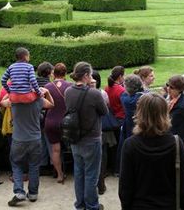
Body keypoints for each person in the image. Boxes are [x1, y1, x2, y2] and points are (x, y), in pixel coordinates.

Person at [119, 93, 184, 210]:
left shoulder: (130, 144)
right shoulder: (175, 143)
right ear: (165, 113)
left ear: (139, 113)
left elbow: (125, 187)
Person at [65, 62, 108, 210]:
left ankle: (80, 204)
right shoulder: (94, 93)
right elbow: (104, 112)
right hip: (92, 139)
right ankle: (91, 205)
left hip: (75, 138)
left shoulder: (68, 92)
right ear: (85, 76)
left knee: (79, 173)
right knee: (91, 175)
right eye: (90, 74)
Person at [8, 79, 54, 206]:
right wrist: (48, 92)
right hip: (35, 139)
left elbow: (1, 102)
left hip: (18, 139)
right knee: (34, 166)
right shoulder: (38, 100)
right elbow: (51, 104)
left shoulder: (14, 101)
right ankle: (33, 193)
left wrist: (10, 91)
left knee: (17, 165)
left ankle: (19, 192)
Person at [44, 62, 72, 183]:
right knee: (73, 148)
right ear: (65, 73)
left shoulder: (47, 86)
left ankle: (60, 175)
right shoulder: (70, 86)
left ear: (53, 73)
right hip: (67, 121)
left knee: (55, 150)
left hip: (51, 121)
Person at [104, 66, 126, 174]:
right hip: (120, 119)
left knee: (112, 145)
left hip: (111, 118)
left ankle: (111, 167)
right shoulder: (121, 90)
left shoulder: (107, 88)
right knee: (119, 146)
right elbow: (124, 106)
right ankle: (117, 169)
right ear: (120, 76)